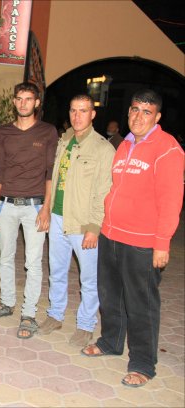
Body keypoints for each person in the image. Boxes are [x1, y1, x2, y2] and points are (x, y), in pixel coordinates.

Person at [82, 89, 184, 388]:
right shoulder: (124, 144)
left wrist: (162, 243)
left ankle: (142, 363)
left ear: (157, 117)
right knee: (110, 295)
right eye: (135, 110)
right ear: (128, 112)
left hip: (142, 242)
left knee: (141, 303)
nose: (139, 117)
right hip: (111, 234)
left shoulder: (167, 148)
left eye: (146, 112)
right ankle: (111, 341)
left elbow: (171, 200)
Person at [38, 94, 115, 347]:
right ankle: (55, 314)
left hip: (83, 224)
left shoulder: (103, 148)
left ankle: (85, 324)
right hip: (58, 218)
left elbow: (104, 192)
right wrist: (47, 209)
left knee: (89, 278)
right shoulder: (64, 141)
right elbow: (55, 179)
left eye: (83, 111)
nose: (77, 116)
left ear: (93, 114)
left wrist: (94, 227)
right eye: (73, 110)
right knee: (57, 271)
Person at [0, 82, 58, 339]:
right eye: (19, 98)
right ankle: (7, 302)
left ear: (36, 103)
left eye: (28, 99)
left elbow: (51, 172)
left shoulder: (47, 132)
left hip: (34, 206)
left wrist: (46, 208)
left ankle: (28, 314)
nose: (23, 103)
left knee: (33, 262)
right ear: (14, 101)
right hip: (6, 204)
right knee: (5, 257)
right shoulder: (4, 132)